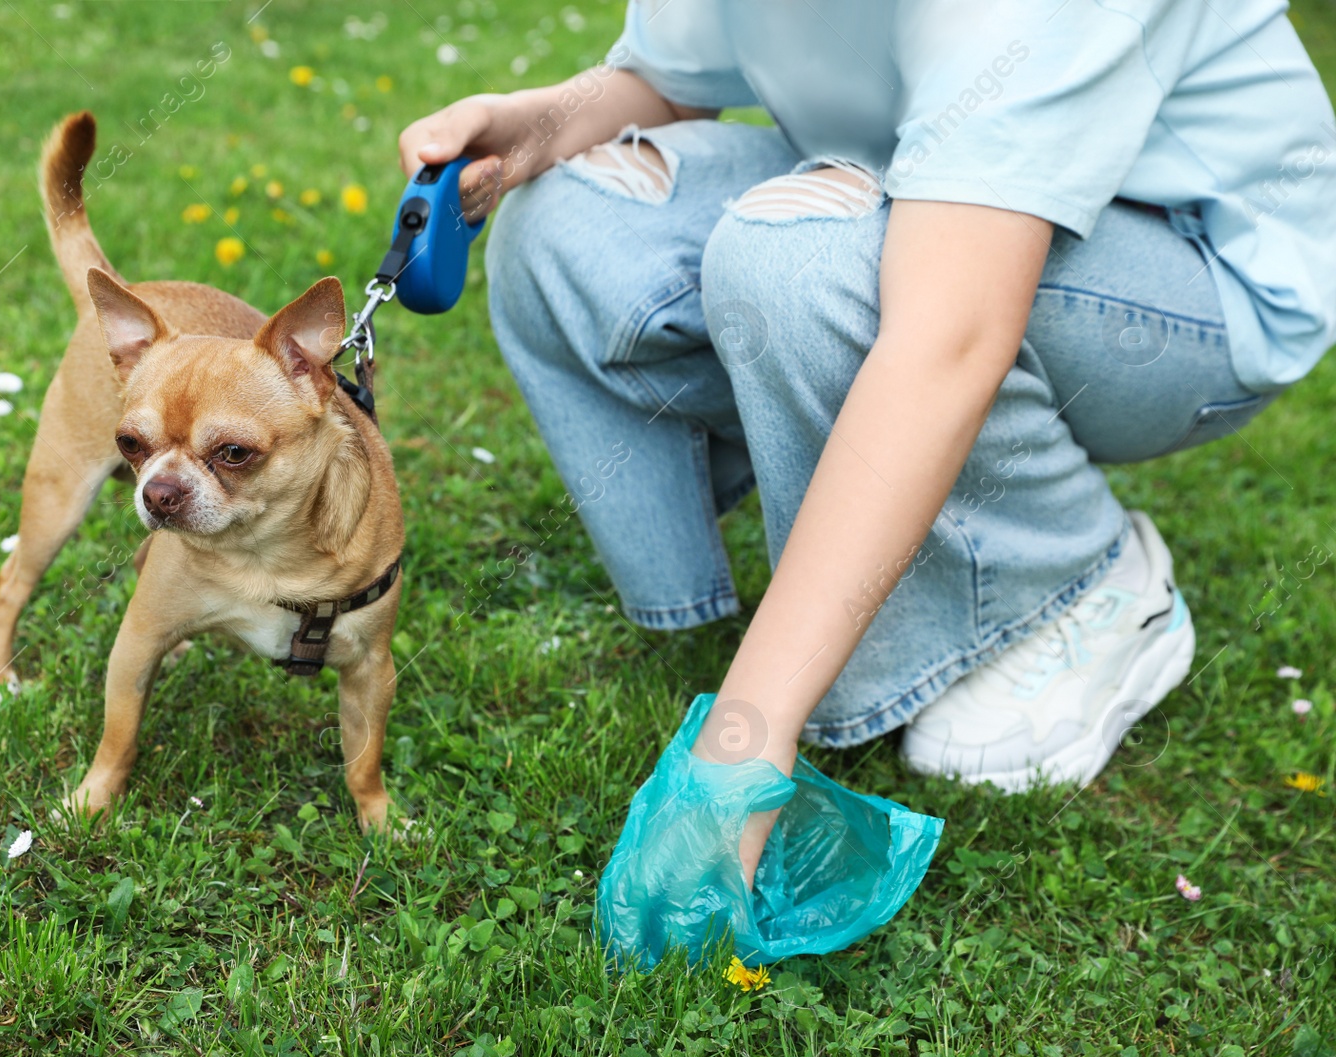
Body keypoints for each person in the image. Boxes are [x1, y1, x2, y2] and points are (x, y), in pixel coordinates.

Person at [398, 1, 1336, 895]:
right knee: (575, 220)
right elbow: (669, 74)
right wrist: (536, 124)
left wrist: (745, 744)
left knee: (799, 267)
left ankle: (1077, 579)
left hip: (1193, 282)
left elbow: (947, 341)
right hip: (911, 178)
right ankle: (780, 561)